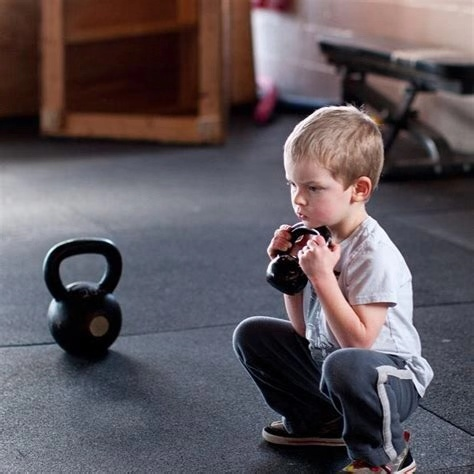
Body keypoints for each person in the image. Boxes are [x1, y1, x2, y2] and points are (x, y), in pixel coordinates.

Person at [232, 105, 433, 473]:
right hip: (333, 364)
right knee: (252, 334)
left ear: (358, 189)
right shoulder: (320, 239)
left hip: (388, 378)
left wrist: (323, 278)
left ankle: (387, 455)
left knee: (345, 364)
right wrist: (290, 274)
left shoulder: (373, 253)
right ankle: (319, 422)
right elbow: (304, 333)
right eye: (293, 185)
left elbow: (358, 343)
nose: (299, 199)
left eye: (314, 188)